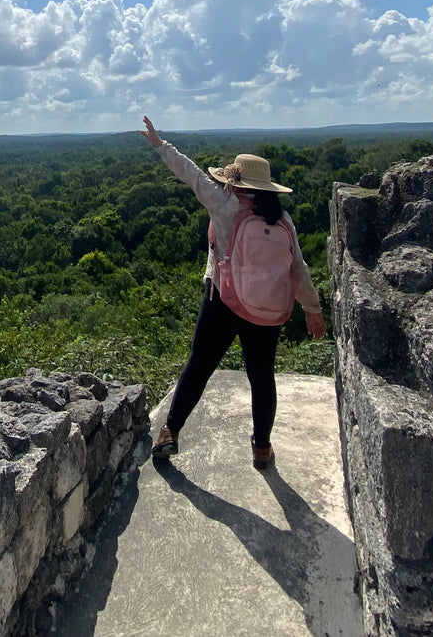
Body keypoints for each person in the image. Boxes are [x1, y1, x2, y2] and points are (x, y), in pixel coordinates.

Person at [139, 115, 328, 470]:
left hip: (222, 302)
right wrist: (313, 310)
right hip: (266, 312)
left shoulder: (225, 206)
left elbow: (191, 174)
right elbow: (297, 268)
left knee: (199, 366)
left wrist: (160, 145)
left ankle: (170, 432)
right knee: (261, 377)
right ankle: (261, 448)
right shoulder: (282, 220)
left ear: (236, 182)